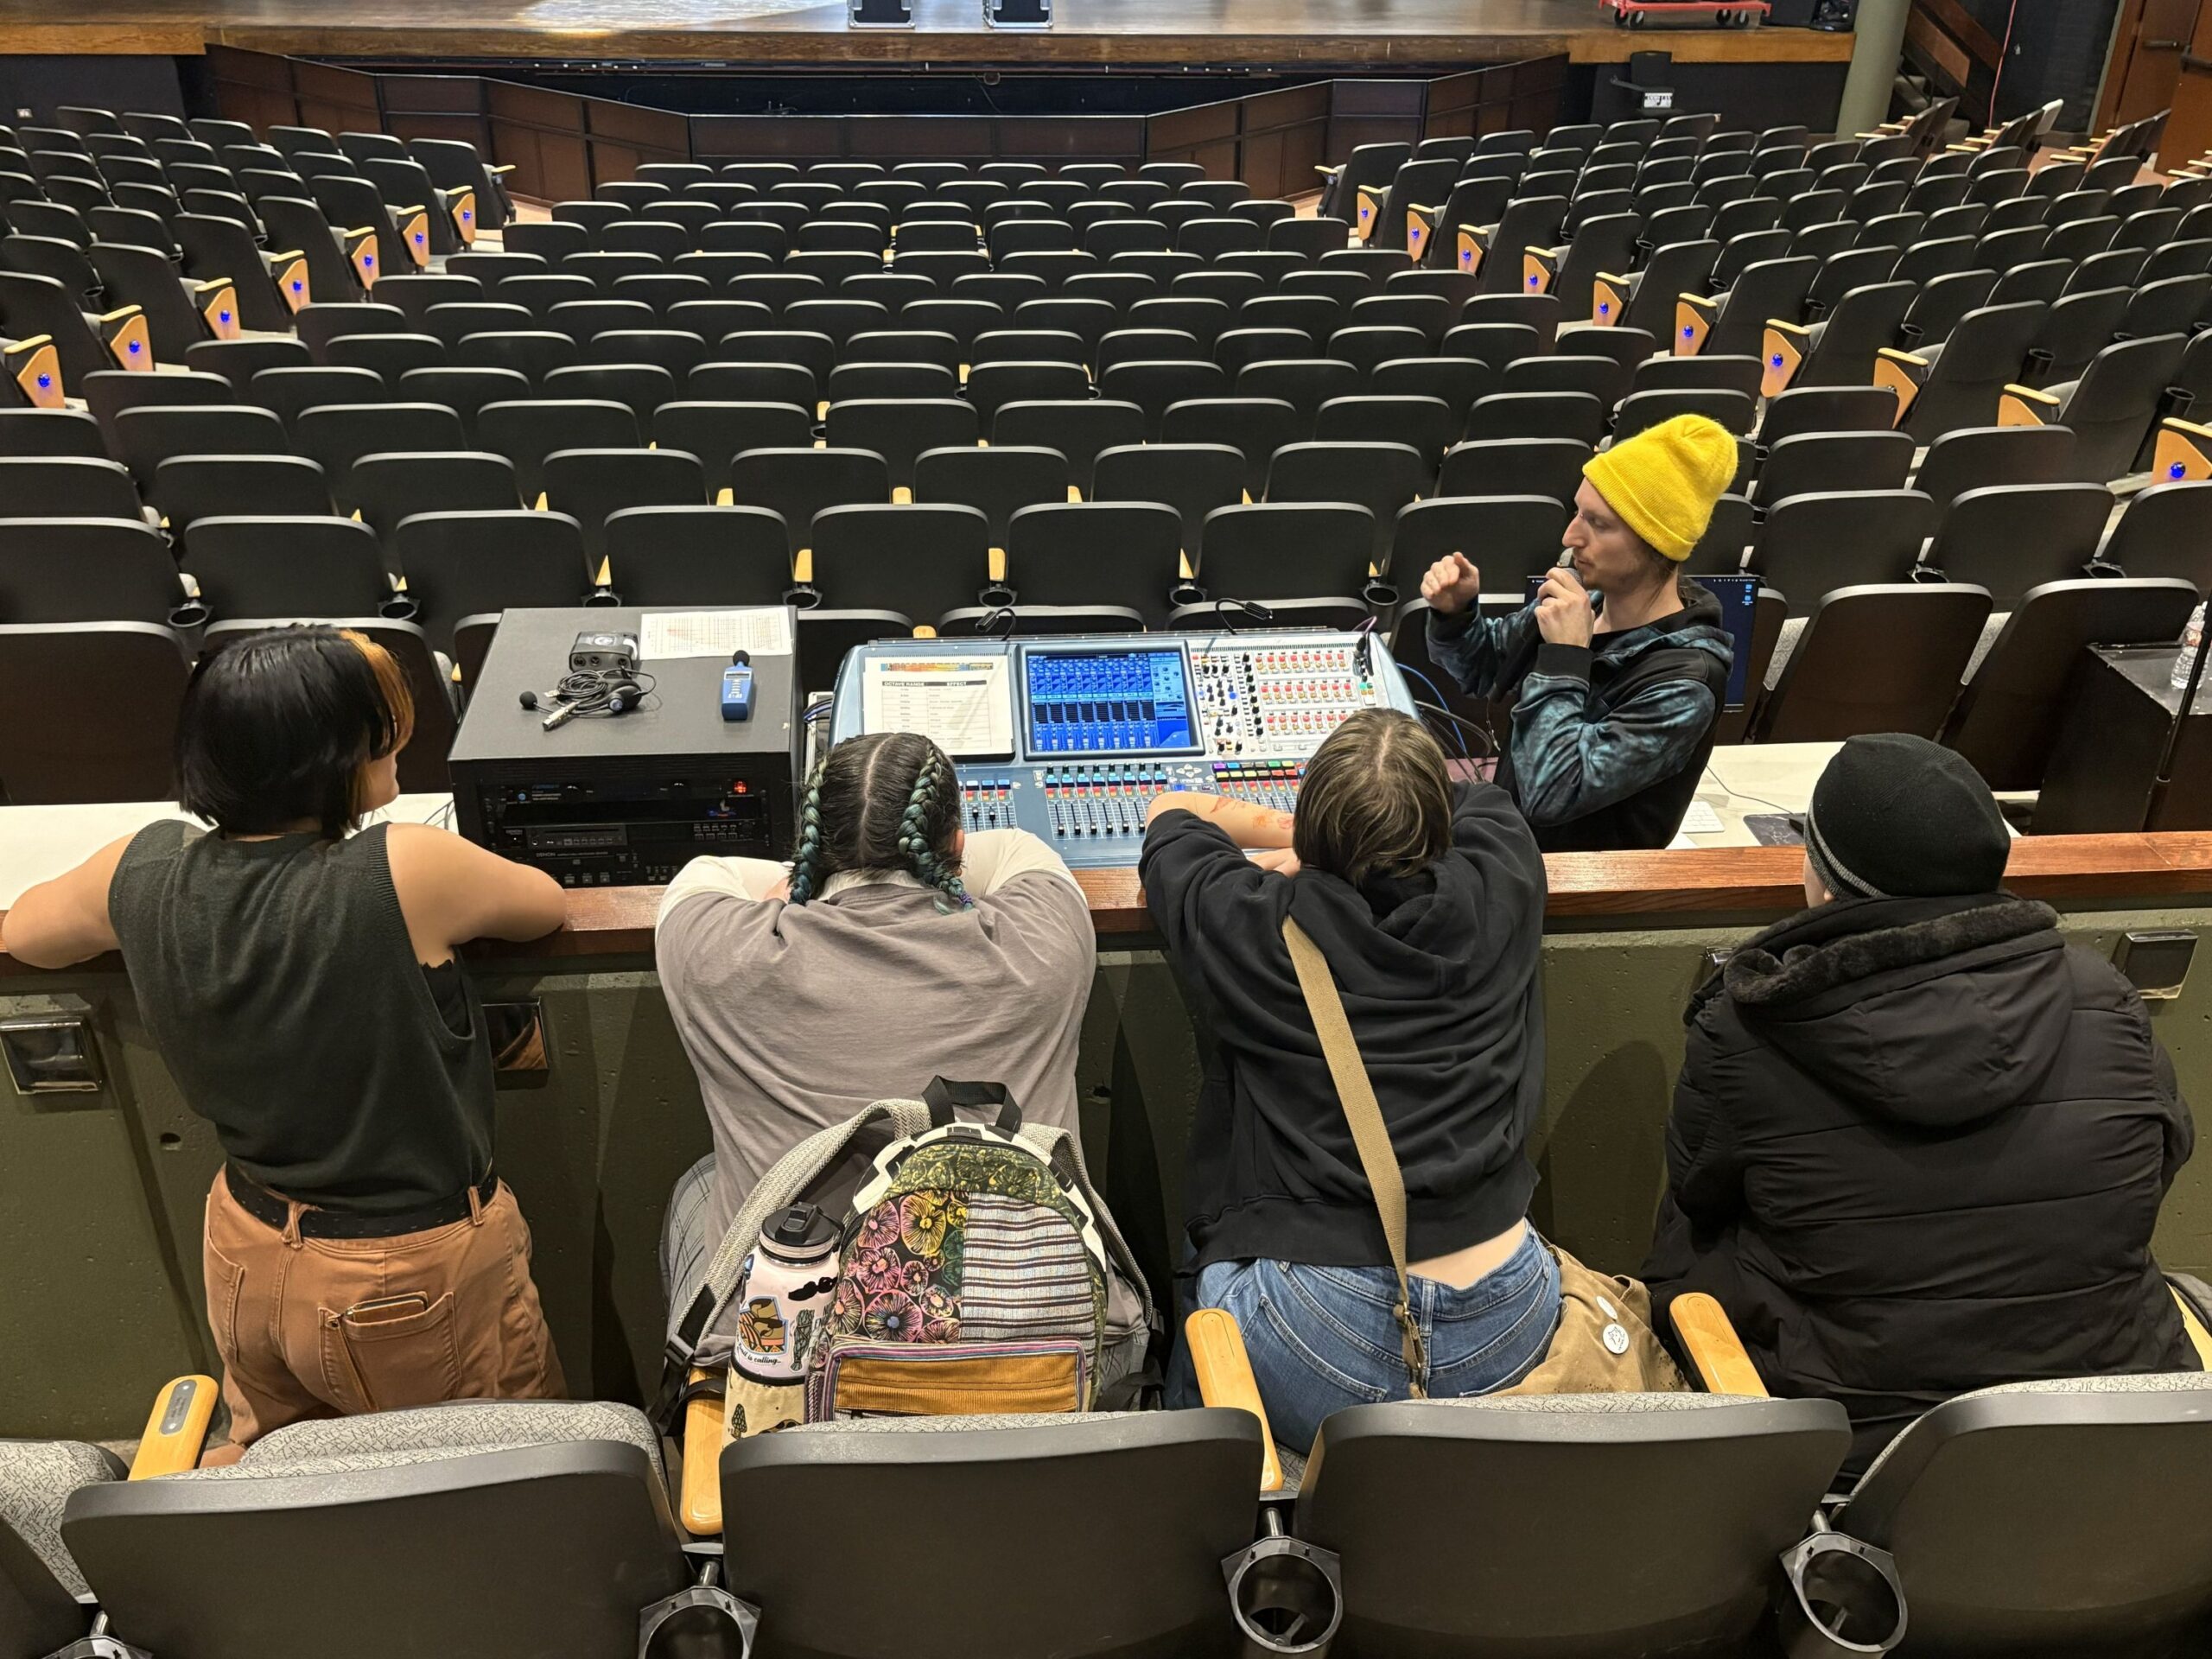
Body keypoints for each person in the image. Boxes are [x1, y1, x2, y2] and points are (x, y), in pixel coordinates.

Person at [2, 626, 569, 1452]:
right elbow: (545, 904)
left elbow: (25, 931)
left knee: (282, 1483)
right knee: (501, 1481)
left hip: (247, 1246)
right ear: (332, 757)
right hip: (405, 1272)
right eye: (377, 734)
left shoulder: (144, 863)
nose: (393, 748)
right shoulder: (406, 867)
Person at [1643, 734, 2197, 1477]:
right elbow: (2161, 1162)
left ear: (1827, 879)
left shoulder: (1746, 1031)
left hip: (1857, 1454)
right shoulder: (2105, 994)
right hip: (2101, 1428)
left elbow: (1698, 1195)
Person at [1141, 709, 1557, 1449]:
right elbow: (1482, 802)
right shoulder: (1505, 871)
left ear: (1313, 828)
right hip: (1511, 1315)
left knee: (1207, 1287)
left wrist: (1306, 848)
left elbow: (1171, 817)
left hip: (1321, 1332)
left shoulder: (1251, 923)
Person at [655, 730, 1095, 1298]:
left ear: (812, 848)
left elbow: (705, 875)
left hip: (795, 1370)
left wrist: (800, 878)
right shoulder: (1041, 942)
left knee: (699, 1189)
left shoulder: (719, 954)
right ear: (955, 846)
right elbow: (1014, 848)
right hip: (1037, 1350)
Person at [1418, 412, 1738, 851]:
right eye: (1577, 512)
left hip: (1579, 894)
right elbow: (1483, 667)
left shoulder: (1684, 685)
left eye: (1599, 524)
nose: (1570, 536)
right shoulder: (1587, 602)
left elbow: (1550, 793)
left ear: (1656, 542)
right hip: (1514, 852)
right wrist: (1456, 615)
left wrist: (1565, 659)